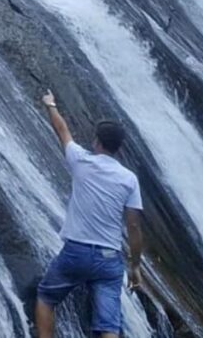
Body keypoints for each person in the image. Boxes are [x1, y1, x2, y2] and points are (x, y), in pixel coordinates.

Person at [34, 89, 144, 338]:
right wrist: (135, 266)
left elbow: (62, 131)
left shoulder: (80, 161)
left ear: (96, 141)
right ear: (118, 148)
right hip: (108, 258)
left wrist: (50, 104)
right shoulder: (129, 179)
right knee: (108, 325)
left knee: (46, 297)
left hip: (76, 252)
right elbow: (134, 226)